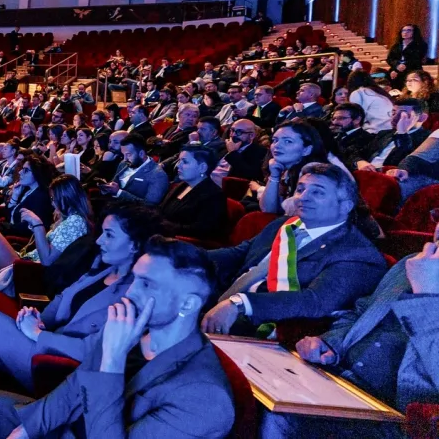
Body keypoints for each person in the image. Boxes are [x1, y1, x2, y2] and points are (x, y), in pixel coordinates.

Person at [0, 237, 235, 439]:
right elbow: (75, 386)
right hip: (65, 428)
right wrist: (27, 429)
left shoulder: (206, 398)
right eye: (134, 279)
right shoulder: (136, 330)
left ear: (187, 304)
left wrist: (111, 360)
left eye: (147, 284)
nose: (131, 292)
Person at [261, 211, 439, 438]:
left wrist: (427, 298)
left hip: (397, 416)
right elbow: (361, 312)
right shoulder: (412, 263)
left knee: (279, 416)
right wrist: (331, 342)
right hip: (341, 380)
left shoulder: (422, 272)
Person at [0, 204, 161, 390]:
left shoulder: (135, 294)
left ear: (134, 244)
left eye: (109, 235)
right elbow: (64, 297)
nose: (99, 240)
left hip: (62, 369)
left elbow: (93, 350)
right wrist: (39, 318)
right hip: (48, 341)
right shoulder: (104, 268)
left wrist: (37, 334)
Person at [201, 163, 387, 336]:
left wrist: (241, 303)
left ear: (345, 206)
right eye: (300, 189)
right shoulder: (284, 224)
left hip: (267, 326)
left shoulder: (357, 254)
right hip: (224, 297)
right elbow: (240, 253)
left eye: (318, 192)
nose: (303, 197)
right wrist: (180, 255)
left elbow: (314, 302)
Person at [0, 175, 93, 290]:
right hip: (27, 261)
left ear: (66, 198)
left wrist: (37, 224)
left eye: (54, 199)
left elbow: (47, 260)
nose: (52, 204)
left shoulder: (76, 221)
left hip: (31, 271)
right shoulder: (69, 219)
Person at [158, 145, 228, 241]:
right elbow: (162, 209)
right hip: (162, 234)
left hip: (180, 244)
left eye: (185, 162)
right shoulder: (182, 185)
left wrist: (164, 226)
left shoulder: (214, 195)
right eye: (179, 161)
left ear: (202, 168)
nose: (178, 165)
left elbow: (202, 230)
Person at [100, 133, 169, 205]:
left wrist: (119, 193)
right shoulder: (123, 163)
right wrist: (106, 188)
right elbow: (114, 182)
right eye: (123, 154)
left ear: (141, 154)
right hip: (110, 204)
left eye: (128, 154)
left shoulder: (158, 175)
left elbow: (150, 206)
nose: (124, 159)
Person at [387, 23, 427, 89]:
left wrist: (399, 69)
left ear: (414, 32)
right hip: (396, 69)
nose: (405, 32)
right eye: (403, 30)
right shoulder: (396, 45)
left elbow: (416, 59)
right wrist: (396, 66)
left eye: (409, 30)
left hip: (412, 70)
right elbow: (390, 59)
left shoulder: (421, 45)